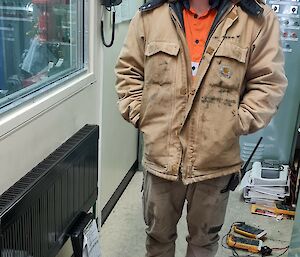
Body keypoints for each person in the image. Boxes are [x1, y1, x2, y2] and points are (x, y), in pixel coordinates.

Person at [115, 0, 287, 256]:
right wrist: (145, 117)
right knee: (157, 239)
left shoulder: (256, 20)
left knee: (203, 244)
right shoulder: (152, 15)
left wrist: (234, 123)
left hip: (215, 163)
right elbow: (128, 73)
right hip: (161, 159)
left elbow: (268, 84)